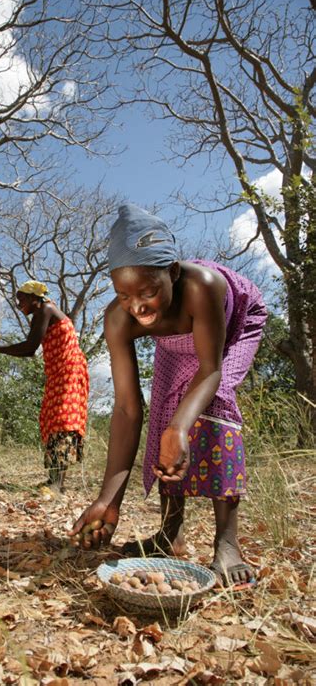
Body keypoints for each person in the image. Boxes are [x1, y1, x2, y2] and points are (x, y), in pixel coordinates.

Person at [69, 204, 267, 588]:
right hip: (176, 340)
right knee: (164, 413)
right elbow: (127, 409)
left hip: (235, 323)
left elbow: (210, 370)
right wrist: (109, 500)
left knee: (213, 401)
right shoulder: (119, 318)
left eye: (148, 291)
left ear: (172, 273)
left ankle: (227, 542)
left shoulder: (202, 287)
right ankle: (169, 532)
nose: (138, 306)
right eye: (123, 295)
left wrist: (182, 427)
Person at [0, 280, 89, 493]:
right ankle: (54, 480)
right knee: (53, 420)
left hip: (69, 371)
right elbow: (32, 347)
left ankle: (57, 484)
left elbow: (30, 348)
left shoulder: (47, 308)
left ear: (35, 298)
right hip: (58, 373)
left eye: (21, 299)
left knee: (63, 419)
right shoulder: (41, 314)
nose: (18, 304)